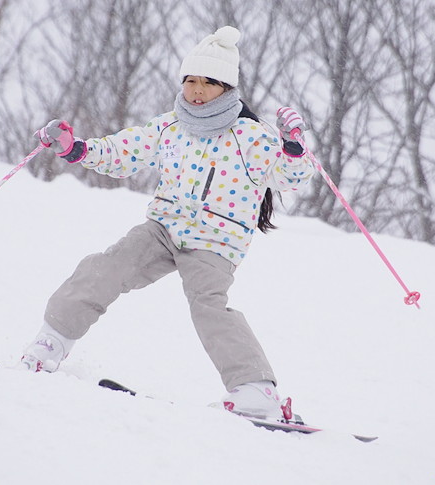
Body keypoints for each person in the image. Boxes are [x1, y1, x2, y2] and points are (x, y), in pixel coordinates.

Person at [21, 26, 314, 420]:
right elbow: (122, 152)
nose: (196, 90)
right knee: (108, 267)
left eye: (208, 83)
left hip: (216, 239)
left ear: (227, 88)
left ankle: (256, 391)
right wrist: (76, 149)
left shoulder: (250, 136)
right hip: (163, 228)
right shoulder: (170, 126)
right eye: (190, 80)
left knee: (208, 304)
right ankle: (50, 342)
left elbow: (288, 178)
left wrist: (293, 146)